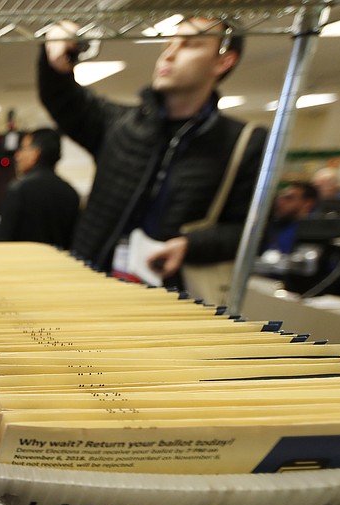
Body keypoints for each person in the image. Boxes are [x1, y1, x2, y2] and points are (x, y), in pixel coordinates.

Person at [39, 17, 267, 301]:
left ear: (223, 62)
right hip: (93, 288)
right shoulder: (119, 125)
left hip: (173, 303)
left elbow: (255, 231)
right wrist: (57, 53)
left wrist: (191, 245)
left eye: (189, 44)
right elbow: (62, 98)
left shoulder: (243, 142)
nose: (169, 53)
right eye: (169, 43)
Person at [0, 128, 80, 249]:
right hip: (60, 265)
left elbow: (3, 239)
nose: (17, 156)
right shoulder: (71, 193)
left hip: (20, 264)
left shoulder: (18, 190)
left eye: (23, 149)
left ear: (35, 154)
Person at [262, 181, 318, 254]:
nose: (280, 202)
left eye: (289, 198)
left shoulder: (315, 232)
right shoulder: (271, 226)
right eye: (280, 197)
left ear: (307, 204)